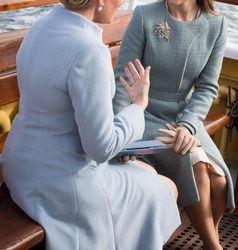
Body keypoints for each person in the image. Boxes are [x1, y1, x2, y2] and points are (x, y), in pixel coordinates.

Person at [0, 0, 181, 249]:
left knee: (148, 173)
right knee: (167, 189)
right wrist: (138, 105)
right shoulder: (88, 50)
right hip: (61, 185)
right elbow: (101, 148)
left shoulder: (40, 27)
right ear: (100, 1)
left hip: (19, 168)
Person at [113, 0, 235, 249]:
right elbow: (123, 79)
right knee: (197, 164)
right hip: (144, 114)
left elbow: (207, 87)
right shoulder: (145, 14)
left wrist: (188, 126)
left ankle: (208, 238)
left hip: (184, 116)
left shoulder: (217, 24)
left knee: (220, 183)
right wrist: (120, 132)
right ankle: (214, 246)